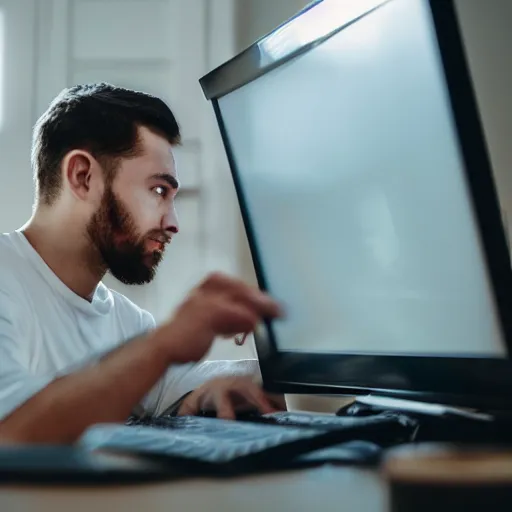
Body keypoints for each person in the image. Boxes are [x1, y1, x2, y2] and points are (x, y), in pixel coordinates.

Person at [0, 83, 284, 444]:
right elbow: (8, 434)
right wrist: (163, 345)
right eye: (158, 191)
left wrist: (266, 349)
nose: (173, 223)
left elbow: (176, 387)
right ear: (83, 177)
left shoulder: (127, 321)